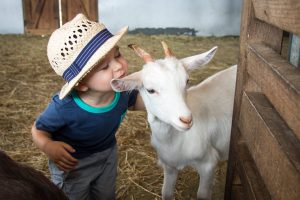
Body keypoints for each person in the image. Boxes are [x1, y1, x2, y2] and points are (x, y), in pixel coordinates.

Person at [31, 13, 144, 200]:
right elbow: (38, 130)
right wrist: (47, 145)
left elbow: (138, 102)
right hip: (74, 165)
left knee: (105, 194)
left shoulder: (122, 91)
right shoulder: (64, 108)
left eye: (117, 54)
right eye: (104, 67)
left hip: (107, 155)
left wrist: (161, 96)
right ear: (81, 84)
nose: (118, 66)